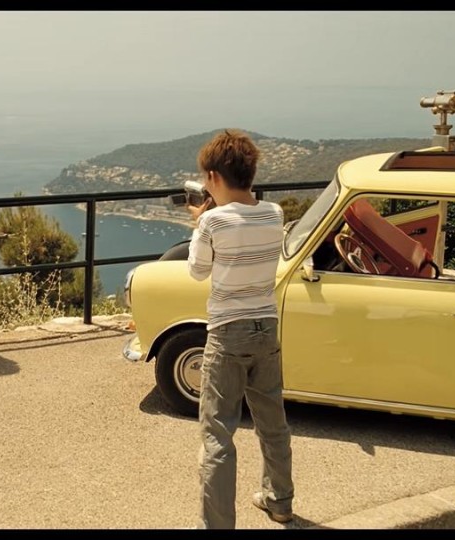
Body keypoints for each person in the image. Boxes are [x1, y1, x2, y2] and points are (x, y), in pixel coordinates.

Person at [186, 129, 293, 529]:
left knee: (217, 435)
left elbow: (197, 271)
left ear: (213, 177)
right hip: (266, 327)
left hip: (227, 333)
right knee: (273, 422)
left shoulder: (212, 221)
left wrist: (199, 224)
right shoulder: (274, 212)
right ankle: (279, 501)